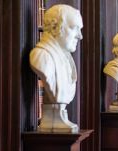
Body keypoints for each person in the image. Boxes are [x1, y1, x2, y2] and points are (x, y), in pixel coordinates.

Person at [29, 4, 83, 132]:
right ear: (54, 27)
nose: (79, 36)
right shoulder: (41, 57)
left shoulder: (66, 58)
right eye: (74, 28)